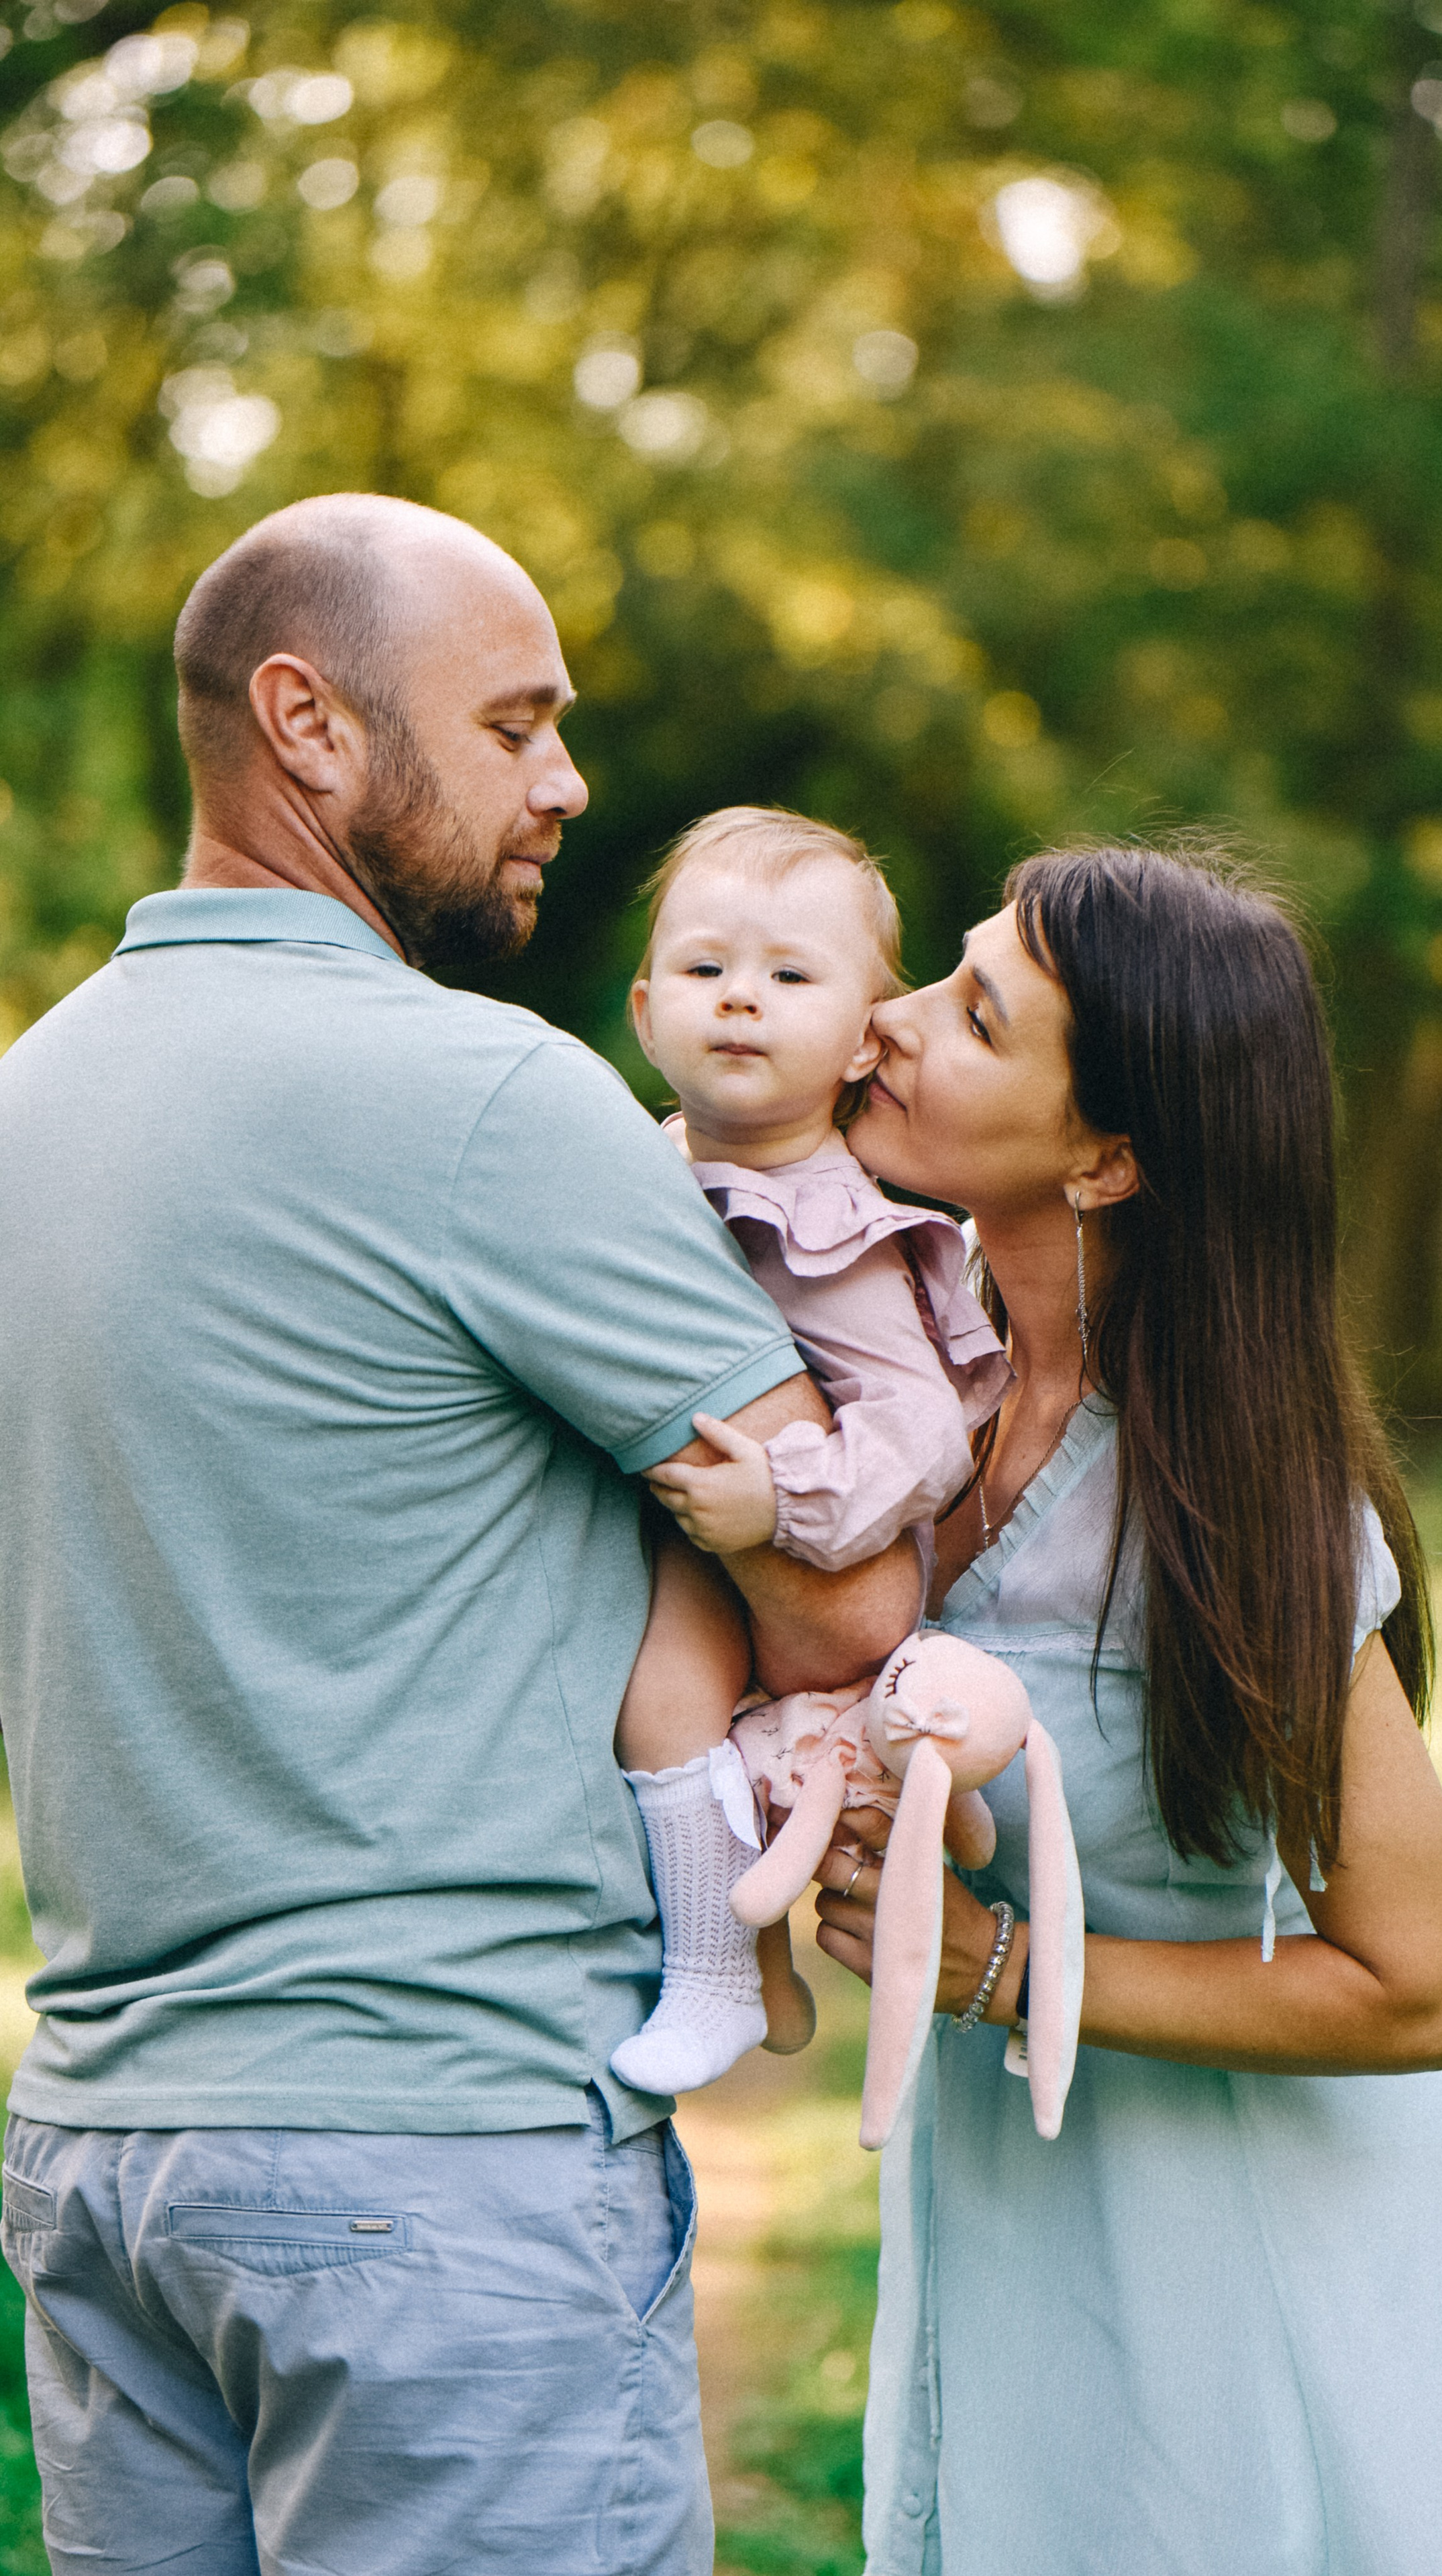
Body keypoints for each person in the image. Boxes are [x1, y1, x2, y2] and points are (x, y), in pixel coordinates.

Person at [0, 494, 920, 2576]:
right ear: (307, 725)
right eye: (517, 724)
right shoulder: (492, 1103)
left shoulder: (29, 1101)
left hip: (105, 2162)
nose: (569, 783)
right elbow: (848, 1576)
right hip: (442, 2174)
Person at [813, 845, 1442, 2573]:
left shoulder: (1240, 1516)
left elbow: (1411, 1988)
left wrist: (1003, 1974)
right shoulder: (906, 1391)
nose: (881, 1023)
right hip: (1010, 2188)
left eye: (968, 1014)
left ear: (1103, 1156)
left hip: (1237, 2239)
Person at [609, 806, 1011, 2098]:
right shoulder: (625, 1170)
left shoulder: (839, 1229)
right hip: (665, 1538)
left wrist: (782, 1498)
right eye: (705, 969)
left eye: (789, 977)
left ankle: (718, 1975)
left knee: (665, 1704)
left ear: (857, 1043)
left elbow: (924, 1432)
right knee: (656, 1719)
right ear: (642, 1010)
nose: (740, 1001)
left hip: (788, 1560)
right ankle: (753, 1975)